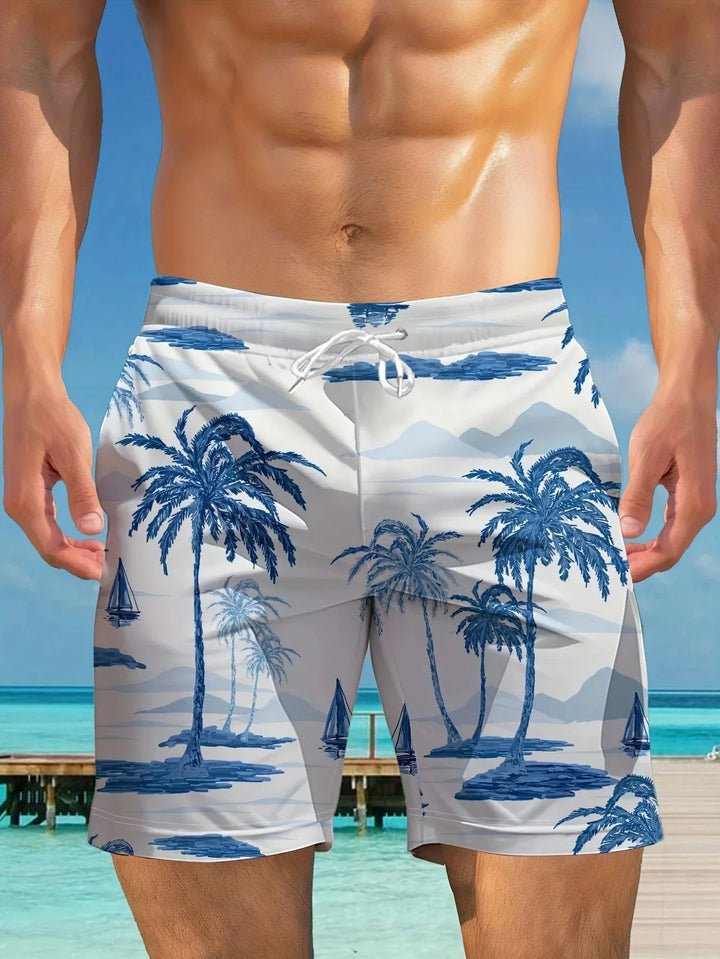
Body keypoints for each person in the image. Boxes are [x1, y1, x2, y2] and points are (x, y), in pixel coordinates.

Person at [1, 2, 717, 957]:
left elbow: (679, 58)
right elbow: (42, 55)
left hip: (509, 389)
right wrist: (29, 364)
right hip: (212, 392)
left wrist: (691, 365)